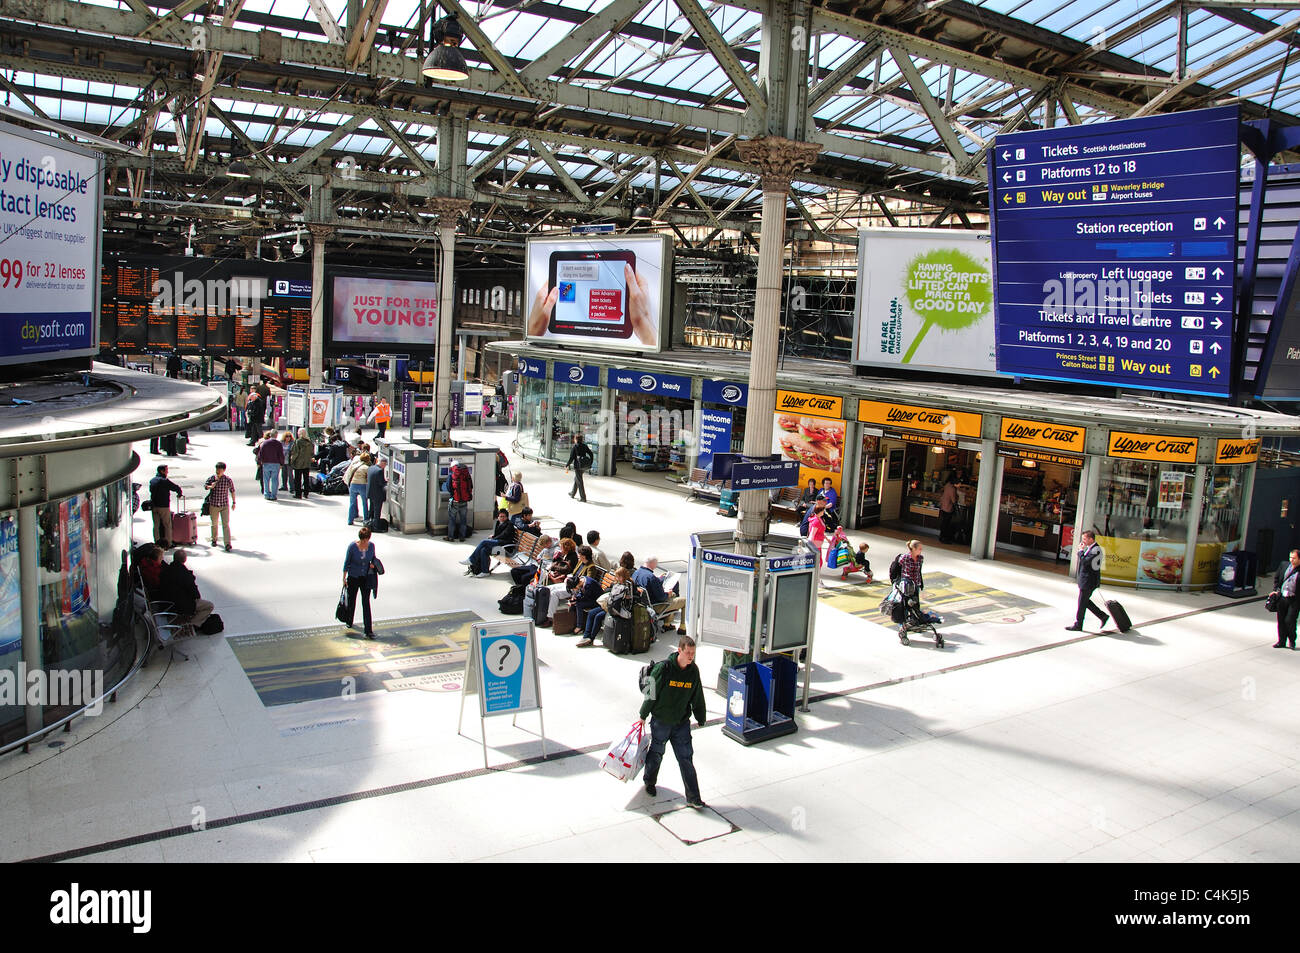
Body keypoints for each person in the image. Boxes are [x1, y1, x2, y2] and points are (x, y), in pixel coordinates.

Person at [638, 634, 707, 808]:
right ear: (679, 651)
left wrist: (701, 716)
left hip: (681, 723)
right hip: (661, 721)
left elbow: (697, 695)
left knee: (686, 759)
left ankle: (693, 797)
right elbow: (651, 694)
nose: (691, 656)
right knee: (656, 753)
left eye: (693, 653)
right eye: (688, 652)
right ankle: (649, 782)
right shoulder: (664, 668)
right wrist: (642, 715)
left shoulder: (693, 671)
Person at [159, 549, 214, 635]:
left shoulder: (166, 570)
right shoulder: (185, 574)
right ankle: (192, 625)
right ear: (184, 560)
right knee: (209, 606)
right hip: (179, 605)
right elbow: (195, 594)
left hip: (166, 601)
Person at [1066, 530, 1109, 632]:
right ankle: (1102, 616)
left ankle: (1078, 624)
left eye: (1085, 539)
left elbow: (1085, 562)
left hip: (1089, 581)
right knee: (1085, 602)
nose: (1083, 541)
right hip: (1087, 580)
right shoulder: (1092, 548)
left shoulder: (1096, 549)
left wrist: (1080, 551)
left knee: (1082, 603)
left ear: (1091, 539)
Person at [580, 566, 632, 647]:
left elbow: (631, 599)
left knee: (598, 616)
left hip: (616, 608)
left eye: (619, 577)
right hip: (608, 605)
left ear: (624, 576)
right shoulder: (615, 583)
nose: (617, 578)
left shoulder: (629, 585)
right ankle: (586, 637)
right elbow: (606, 590)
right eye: (616, 576)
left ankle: (591, 639)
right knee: (591, 613)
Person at [342, 526, 379, 639]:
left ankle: (368, 630)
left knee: (366, 602)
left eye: (366, 539)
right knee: (352, 599)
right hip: (353, 576)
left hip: (365, 577)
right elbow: (347, 562)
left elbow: (373, 558)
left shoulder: (372, 546)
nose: (365, 542)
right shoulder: (352, 547)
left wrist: (373, 564)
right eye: (363, 540)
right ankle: (349, 620)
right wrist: (344, 578)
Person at [634, 556, 685, 632]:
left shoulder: (636, 573)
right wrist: (668, 594)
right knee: (684, 600)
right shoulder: (651, 577)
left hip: (641, 604)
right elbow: (662, 597)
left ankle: (667, 624)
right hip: (655, 606)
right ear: (652, 563)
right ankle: (682, 628)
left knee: (672, 595)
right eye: (656, 563)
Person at [462, 509, 517, 577]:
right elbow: (498, 534)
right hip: (499, 544)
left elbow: (504, 535)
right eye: (500, 516)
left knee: (484, 542)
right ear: (498, 517)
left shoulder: (509, 524)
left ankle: (472, 560)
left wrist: (493, 538)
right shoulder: (498, 523)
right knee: (484, 550)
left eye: (504, 516)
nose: (502, 518)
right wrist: (494, 537)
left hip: (505, 547)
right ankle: (485, 571)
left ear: (507, 517)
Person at [148, 464, 184, 548]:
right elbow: (176, 487)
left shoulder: (152, 480)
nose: (167, 472)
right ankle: (168, 543)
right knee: (167, 525)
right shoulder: (164, 481)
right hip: (163, 506)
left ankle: (157, 543)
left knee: (156, 525)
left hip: (154, 506)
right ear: (162, 471)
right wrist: (179, 493)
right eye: (166, 470)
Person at [203, 462, 236, 551]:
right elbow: (205, 486)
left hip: (224, 505)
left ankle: (227, 543)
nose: (218, 471)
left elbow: (232, 490)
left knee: (225, 524)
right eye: (217, 469)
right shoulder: (212, 478)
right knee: (214, 523)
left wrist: (234, 502)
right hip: (214, 505)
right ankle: (214, 539)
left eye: (219, 470)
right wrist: (211, 486)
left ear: (223, 470)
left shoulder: (228, 480)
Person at [1270, 549, 1300, 649]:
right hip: (1282, 598)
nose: (1291, 560)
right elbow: (1277, 578)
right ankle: (1281, 641)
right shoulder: (1284, 565)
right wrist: (1275, 590)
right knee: (1281, 620)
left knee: (1290, 620)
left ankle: (1292, 640)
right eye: (1290, 557)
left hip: (1294, 600)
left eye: (1294, 558)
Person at [444, 457, 473, 541]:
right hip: (464, 500)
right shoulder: (466, 474)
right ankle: (462, 537)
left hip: (455, 500)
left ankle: (450, 536)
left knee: (452, 519)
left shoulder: (452, 475)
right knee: (463, 519)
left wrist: (453, 494)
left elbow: (449, 487)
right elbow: (471, 485)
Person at [257, 428, 286, 500]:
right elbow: (281, 454)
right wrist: (282, 463)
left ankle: (266, 494)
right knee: (274, 480)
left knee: (266, 479)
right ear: (276, 435)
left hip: (266, 463)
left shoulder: (265, 443)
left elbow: (260, 453)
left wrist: (259, 462)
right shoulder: (278, 444)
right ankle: (273, 495)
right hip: (276, 463)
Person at [565, 433, 594, 503]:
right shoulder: (584, 446)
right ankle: (572, 493)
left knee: (579, 481)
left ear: (576, 439)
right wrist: (590, 462)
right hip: (583, 466)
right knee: (577, 479)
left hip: (578, 466)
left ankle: (583, 497)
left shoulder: (575, 447)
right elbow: (591, 453)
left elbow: (571, 457)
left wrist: (567, 465)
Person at [345, 453, 372, 525]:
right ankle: (365, 520)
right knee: (364, 503)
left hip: (353, 485)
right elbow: (368, 478)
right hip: (362, 485)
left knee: (352, 503)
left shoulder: (354, 465)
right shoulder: (366, 468)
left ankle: (350, 520)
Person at [290, 428, 314, 499]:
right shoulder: (309, 442)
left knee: (297, 479)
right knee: (306, 478)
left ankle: (298, 494)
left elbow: (295, 453)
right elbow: (311, 453)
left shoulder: (298, 442)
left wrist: (292, 461)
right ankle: (306, 493)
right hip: (307, 463)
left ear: (299, 434)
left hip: (298, 463)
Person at [367, 456, 388, 526]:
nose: (385, 467)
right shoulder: (379, 471)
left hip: (370, 492)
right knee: (377, 510)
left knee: (372, 508)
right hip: (377, 494)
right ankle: (376, 525)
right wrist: (387, 482)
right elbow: (381, 483)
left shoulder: (371, 468)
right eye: (385, 465)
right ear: (383, 463)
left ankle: (370, 522)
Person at [805, 500, 828, 566]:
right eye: (823, 510)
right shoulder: (816, 521)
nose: (824, 511)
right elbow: (812, 534)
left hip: (817, 545)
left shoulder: (818, 519)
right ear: (820, 511)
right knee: (818, 562)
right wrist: (810, 546)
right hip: (815, 545)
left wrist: (826, 538)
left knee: (818, 562)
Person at [938, 475, 958, 544]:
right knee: (946, 523)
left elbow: (942, 491)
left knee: (944, 522)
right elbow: (953, 500)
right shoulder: (952, 489)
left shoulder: (947, 485)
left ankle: (941, 537)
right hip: (948, 507)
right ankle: (944, 538)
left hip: (943, 505)